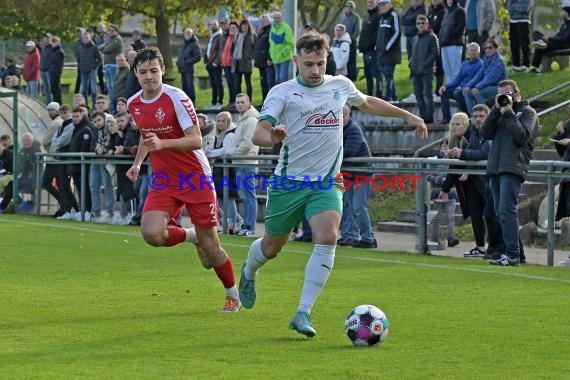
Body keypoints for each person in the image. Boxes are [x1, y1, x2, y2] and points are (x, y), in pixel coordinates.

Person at [238, 33, 428, 337]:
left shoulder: (339, 86)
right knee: (273, 247)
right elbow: (258, 134)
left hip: (326, 181)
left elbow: (369, 103)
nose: (315, 70)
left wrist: (409, 116)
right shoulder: (282, 92)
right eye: (309, 63)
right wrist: (272, 135)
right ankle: (248, 272)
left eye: (320, 63)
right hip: (289, 183)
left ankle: (302, 312)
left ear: (328, 60)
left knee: (328, 236)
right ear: (296, 60)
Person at [125, 47, 241, 312]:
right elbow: (147, 135)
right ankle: (192, 237)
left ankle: (232, 294)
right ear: (136, 74)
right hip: (164, 179)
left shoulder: (176, 98)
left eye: (154, 71)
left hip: (194, 177)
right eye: (143, 72)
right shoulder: (134, 103)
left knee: (212, 246)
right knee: (151, 233)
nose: (149, 77)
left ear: (163, 70)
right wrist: (138, 163)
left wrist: (163, 144)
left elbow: (196, 139)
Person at [480, 79, 538, 266]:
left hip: (512, 166)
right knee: (499, 211)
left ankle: (511, 255)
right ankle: (518, 254)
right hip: (496, 167)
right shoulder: (499, 112)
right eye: (501, 95)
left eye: (507, 94)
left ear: (517, 94)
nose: (504, 98)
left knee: (506, 210)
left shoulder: (528, 113)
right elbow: (485, 133)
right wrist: (497, 109)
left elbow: (522, 137)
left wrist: (509, 112)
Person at [338, 105, 377, 248]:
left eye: (342, 116)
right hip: (349, 173)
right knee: (347, 206)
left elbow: (349, 151)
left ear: (348, 115)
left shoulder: (354, 129)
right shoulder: (338, 130)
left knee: (359, 207)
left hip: (362, 173)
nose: (340, 119)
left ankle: (368, 238)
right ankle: (350, 236)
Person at [227, 93, 260, 237]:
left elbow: (247, 144)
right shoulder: (244, 118)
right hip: (241, 161)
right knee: (245, 197)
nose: (240, 104)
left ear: (249, 103)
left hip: (246, 162)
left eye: (242, 102)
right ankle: (247, 226)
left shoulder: (251, 120)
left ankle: (250, 227)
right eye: (238, 102)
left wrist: (231, 152)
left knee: (249, 197)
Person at [437, 42, 483, 124]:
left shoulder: (481, 64)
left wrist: (468, 86)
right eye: (471, 50)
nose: (472, 52)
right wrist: (445, 85)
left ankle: (468, 115)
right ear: (468, 52)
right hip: (462, 89)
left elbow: (477, 79)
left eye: (474, 50)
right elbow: (457, 80)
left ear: (478, 52)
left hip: (472, 89)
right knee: (444, 92)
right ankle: (446, 118)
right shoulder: (464, 64)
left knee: (457, 93)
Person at [463, 39, 507, 115]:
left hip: (500, 87)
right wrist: (468, 86)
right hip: (488, 87)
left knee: (479, 93)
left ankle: (485, 117)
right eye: (486, 48)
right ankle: (473, 117)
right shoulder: (486, 60)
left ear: (496, 48)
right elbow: (478, 76)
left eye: (490, 48)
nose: (487, 50)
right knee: (468, 93)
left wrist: (477, 87)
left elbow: (490, 78)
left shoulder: (499, 61)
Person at [409, 14, 439, 123]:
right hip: (416, 71)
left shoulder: (432, 37)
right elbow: (412, 55)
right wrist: (411, 64)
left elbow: (435, 54)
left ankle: (429, 117)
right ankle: (422, 116)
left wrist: (425, 65)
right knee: (418, 94)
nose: (421, 25)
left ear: (427, 24)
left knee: (427, 94)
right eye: (418, 23)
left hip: (427, 71)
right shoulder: (415, 38)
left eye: (423, 23)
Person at [530, 6, 570, 74]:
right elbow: (557, 36)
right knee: (536, 33)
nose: (561, 13)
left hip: (563, 45)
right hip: (556, 43)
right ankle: (541, 42)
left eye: (563, 11)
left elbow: (564, 39)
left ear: (567, 13)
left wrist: (549, 39)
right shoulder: (564, 24)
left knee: (539, 47)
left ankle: (535, 68)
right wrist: (548, 38)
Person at [376, 0, 402, 102]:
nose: (381, 7)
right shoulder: (382, 17)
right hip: (382, 52)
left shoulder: (393, 15)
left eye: (383, 5)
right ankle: (393, 96)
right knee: (386, 74)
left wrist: (387, 47)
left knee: (388, 74)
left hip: (390, 53)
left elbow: (397, 32)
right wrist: (379, 47)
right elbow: (380, 35)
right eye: (380, 5)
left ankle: (389, 96)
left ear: (389, 4)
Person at [439, 0, 466, 85]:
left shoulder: (460, 11)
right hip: (444, 45)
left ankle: (457, 92)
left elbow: (460, 27)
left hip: (455, 44)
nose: (449, 1)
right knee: (447, 71)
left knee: (455, 71)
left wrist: (448, 35)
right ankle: (450, 92)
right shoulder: (446, 13)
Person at [358, 0, 382, 97]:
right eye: (368, 2)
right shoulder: (367, 17)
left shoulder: (378, 16)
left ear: (377, 3)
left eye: (372, 2)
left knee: (377, 74)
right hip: (365, 51)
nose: (370, 3)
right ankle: (370, 95)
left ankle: (379, 95)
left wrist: (371, 45)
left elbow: (377, 35)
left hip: (373, 51)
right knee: (368, 74)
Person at [269, 11, 295, 85]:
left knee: (282, 79)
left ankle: (284, 95)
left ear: (282, 18)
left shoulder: (286, 28)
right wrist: (271, 54)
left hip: (284, 58)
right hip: (275, 58)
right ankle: (279, 96)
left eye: (278, 18)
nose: (276, 19)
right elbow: (271, 43)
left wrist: (283, 53)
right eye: (275, 18)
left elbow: (290, 43)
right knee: (277, 79)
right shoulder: (272, 28)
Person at [177, 28, 202, 103]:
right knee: (185, 88)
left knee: (190, 87)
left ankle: (192, 104)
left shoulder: (195, 43)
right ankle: (186, 104)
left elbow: (198, 57)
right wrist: (178, 62)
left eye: (189, 33)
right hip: (182, 69)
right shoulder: (184, 43)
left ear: (192, 34)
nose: (187, 34)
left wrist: (187, 62)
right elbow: (181, 55)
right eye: (186, 33)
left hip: (189, 69)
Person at [254, 14, 275, 102]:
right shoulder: (261, 31)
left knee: (270, 82)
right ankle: (264, 102)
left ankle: (271, 102)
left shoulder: (271, 30)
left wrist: (270, 58)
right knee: (263, 83)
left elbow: (272, 45)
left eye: (264, 20)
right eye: (261, 21)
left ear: (268, 21)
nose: (262, 22)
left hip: (267, 62)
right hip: (260, 62)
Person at [507, 0, 532, 72]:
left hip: (523, 21)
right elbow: (509, 7)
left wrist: (514, 6)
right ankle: (516, 66)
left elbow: (524, 8)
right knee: (514, 44)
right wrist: (516, 7)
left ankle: (526, 65)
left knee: (525, 44)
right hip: (513, 21)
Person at [204, 20, 224, 109]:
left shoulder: (219, 35)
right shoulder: (212, 36)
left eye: (214, 24)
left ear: (218, 25)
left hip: (216, 64)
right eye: (211, 24)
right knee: (213, 83)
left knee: (218, 82)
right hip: (210, 63)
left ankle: (219, 102)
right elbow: (209, 49)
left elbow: (221, 49)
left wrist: (217, 62)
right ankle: (214, 102)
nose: (212, 26)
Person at [340, 1, 361, 80]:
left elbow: (357, 31)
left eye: (350, 6)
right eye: (347, 6)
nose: (349, 8)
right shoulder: (342, 17)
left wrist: (350, 40)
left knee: (352, 61)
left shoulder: (356, 17)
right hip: (343, 42)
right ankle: (345, 77)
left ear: (353, 8)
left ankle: (352, 78)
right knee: (344, 60)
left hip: (352, 42)